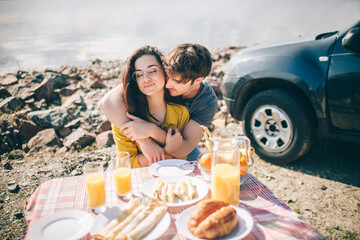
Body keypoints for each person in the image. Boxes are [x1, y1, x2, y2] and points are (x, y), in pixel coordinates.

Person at [99, 43, 218, 163]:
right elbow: (107, 101)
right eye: (167, 76)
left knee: (200, 167)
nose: (167, 85)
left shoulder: (205, 102)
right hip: (148, 149)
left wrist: (152, 131)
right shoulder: (165, 70)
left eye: (176, 81)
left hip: (184, 145)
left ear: (198, 80)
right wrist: (144, 140)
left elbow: (183, 149)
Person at [112, 46, 190, 168]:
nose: (146, 79)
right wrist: (168, 149)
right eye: (139, 74)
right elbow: (126, 163)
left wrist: (151, 130)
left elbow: (180, 158)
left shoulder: (181, 112)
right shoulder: (124, 114)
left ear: (165, 72)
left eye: (152, 71)